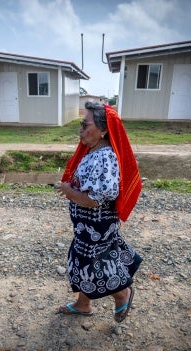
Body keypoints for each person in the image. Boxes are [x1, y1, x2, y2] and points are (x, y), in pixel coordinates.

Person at [57, 102, 142, 323]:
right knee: (83, 260)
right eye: (81, 124)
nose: (81, 130)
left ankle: (122, 293)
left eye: (86, 125)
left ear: (103, 130)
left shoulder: (104, 157)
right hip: (89, 226)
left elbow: (94, 200)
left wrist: (68, 191)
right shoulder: (93, 152)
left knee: (93, 265)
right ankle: (83, 304)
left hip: (97, 224)